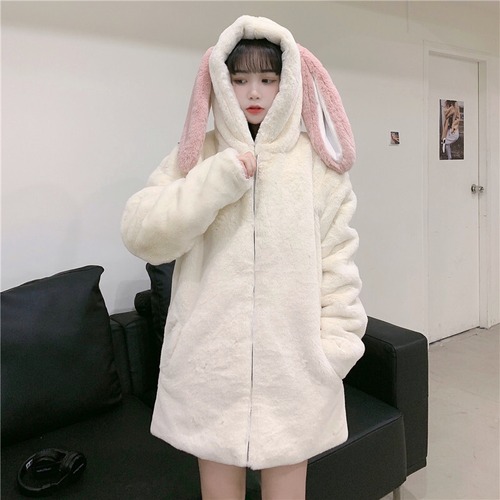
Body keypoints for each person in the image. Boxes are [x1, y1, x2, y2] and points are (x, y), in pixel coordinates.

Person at [121, 15, 367, 500]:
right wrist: (218, 180)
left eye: (268, 79)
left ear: (289, 83)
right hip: (208, 371)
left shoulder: (317, 168)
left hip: (295, 372)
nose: (254, 92)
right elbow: (141, 233)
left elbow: (339, 264)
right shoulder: (198, 155)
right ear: (220, 81)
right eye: (239, 80)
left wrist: (334, 351)